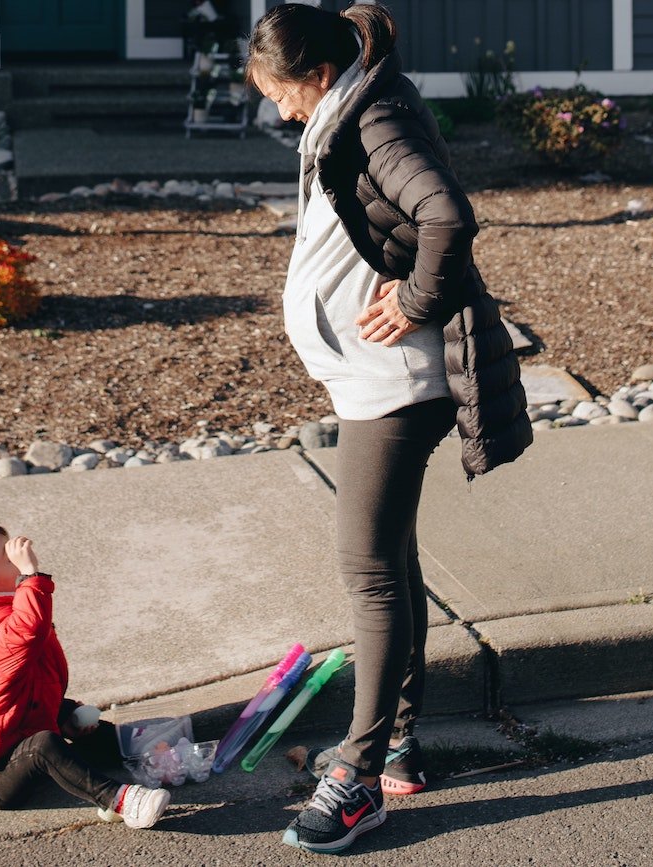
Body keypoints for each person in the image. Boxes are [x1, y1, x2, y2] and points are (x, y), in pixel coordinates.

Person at [246, 2, 531, 855]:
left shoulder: (375, 116)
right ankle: (398, 741)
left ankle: (360, 774)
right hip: (369, 379)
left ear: (320, 75)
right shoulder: (356, 106)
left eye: (282, 93)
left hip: (397, 385)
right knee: (393, 562)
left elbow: (446, 214)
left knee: (368, 571)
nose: (279, 110)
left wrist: (412, 300)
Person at [0, 525, 170, 829]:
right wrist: (30, 575)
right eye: (6, 558)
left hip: (15, 727)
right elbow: (28, 632)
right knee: (44, 745)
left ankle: (150, 748)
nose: (16, 557)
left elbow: (30, 688)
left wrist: (64, 715)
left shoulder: (0, 607)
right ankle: (121, 801)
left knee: (74, 718)